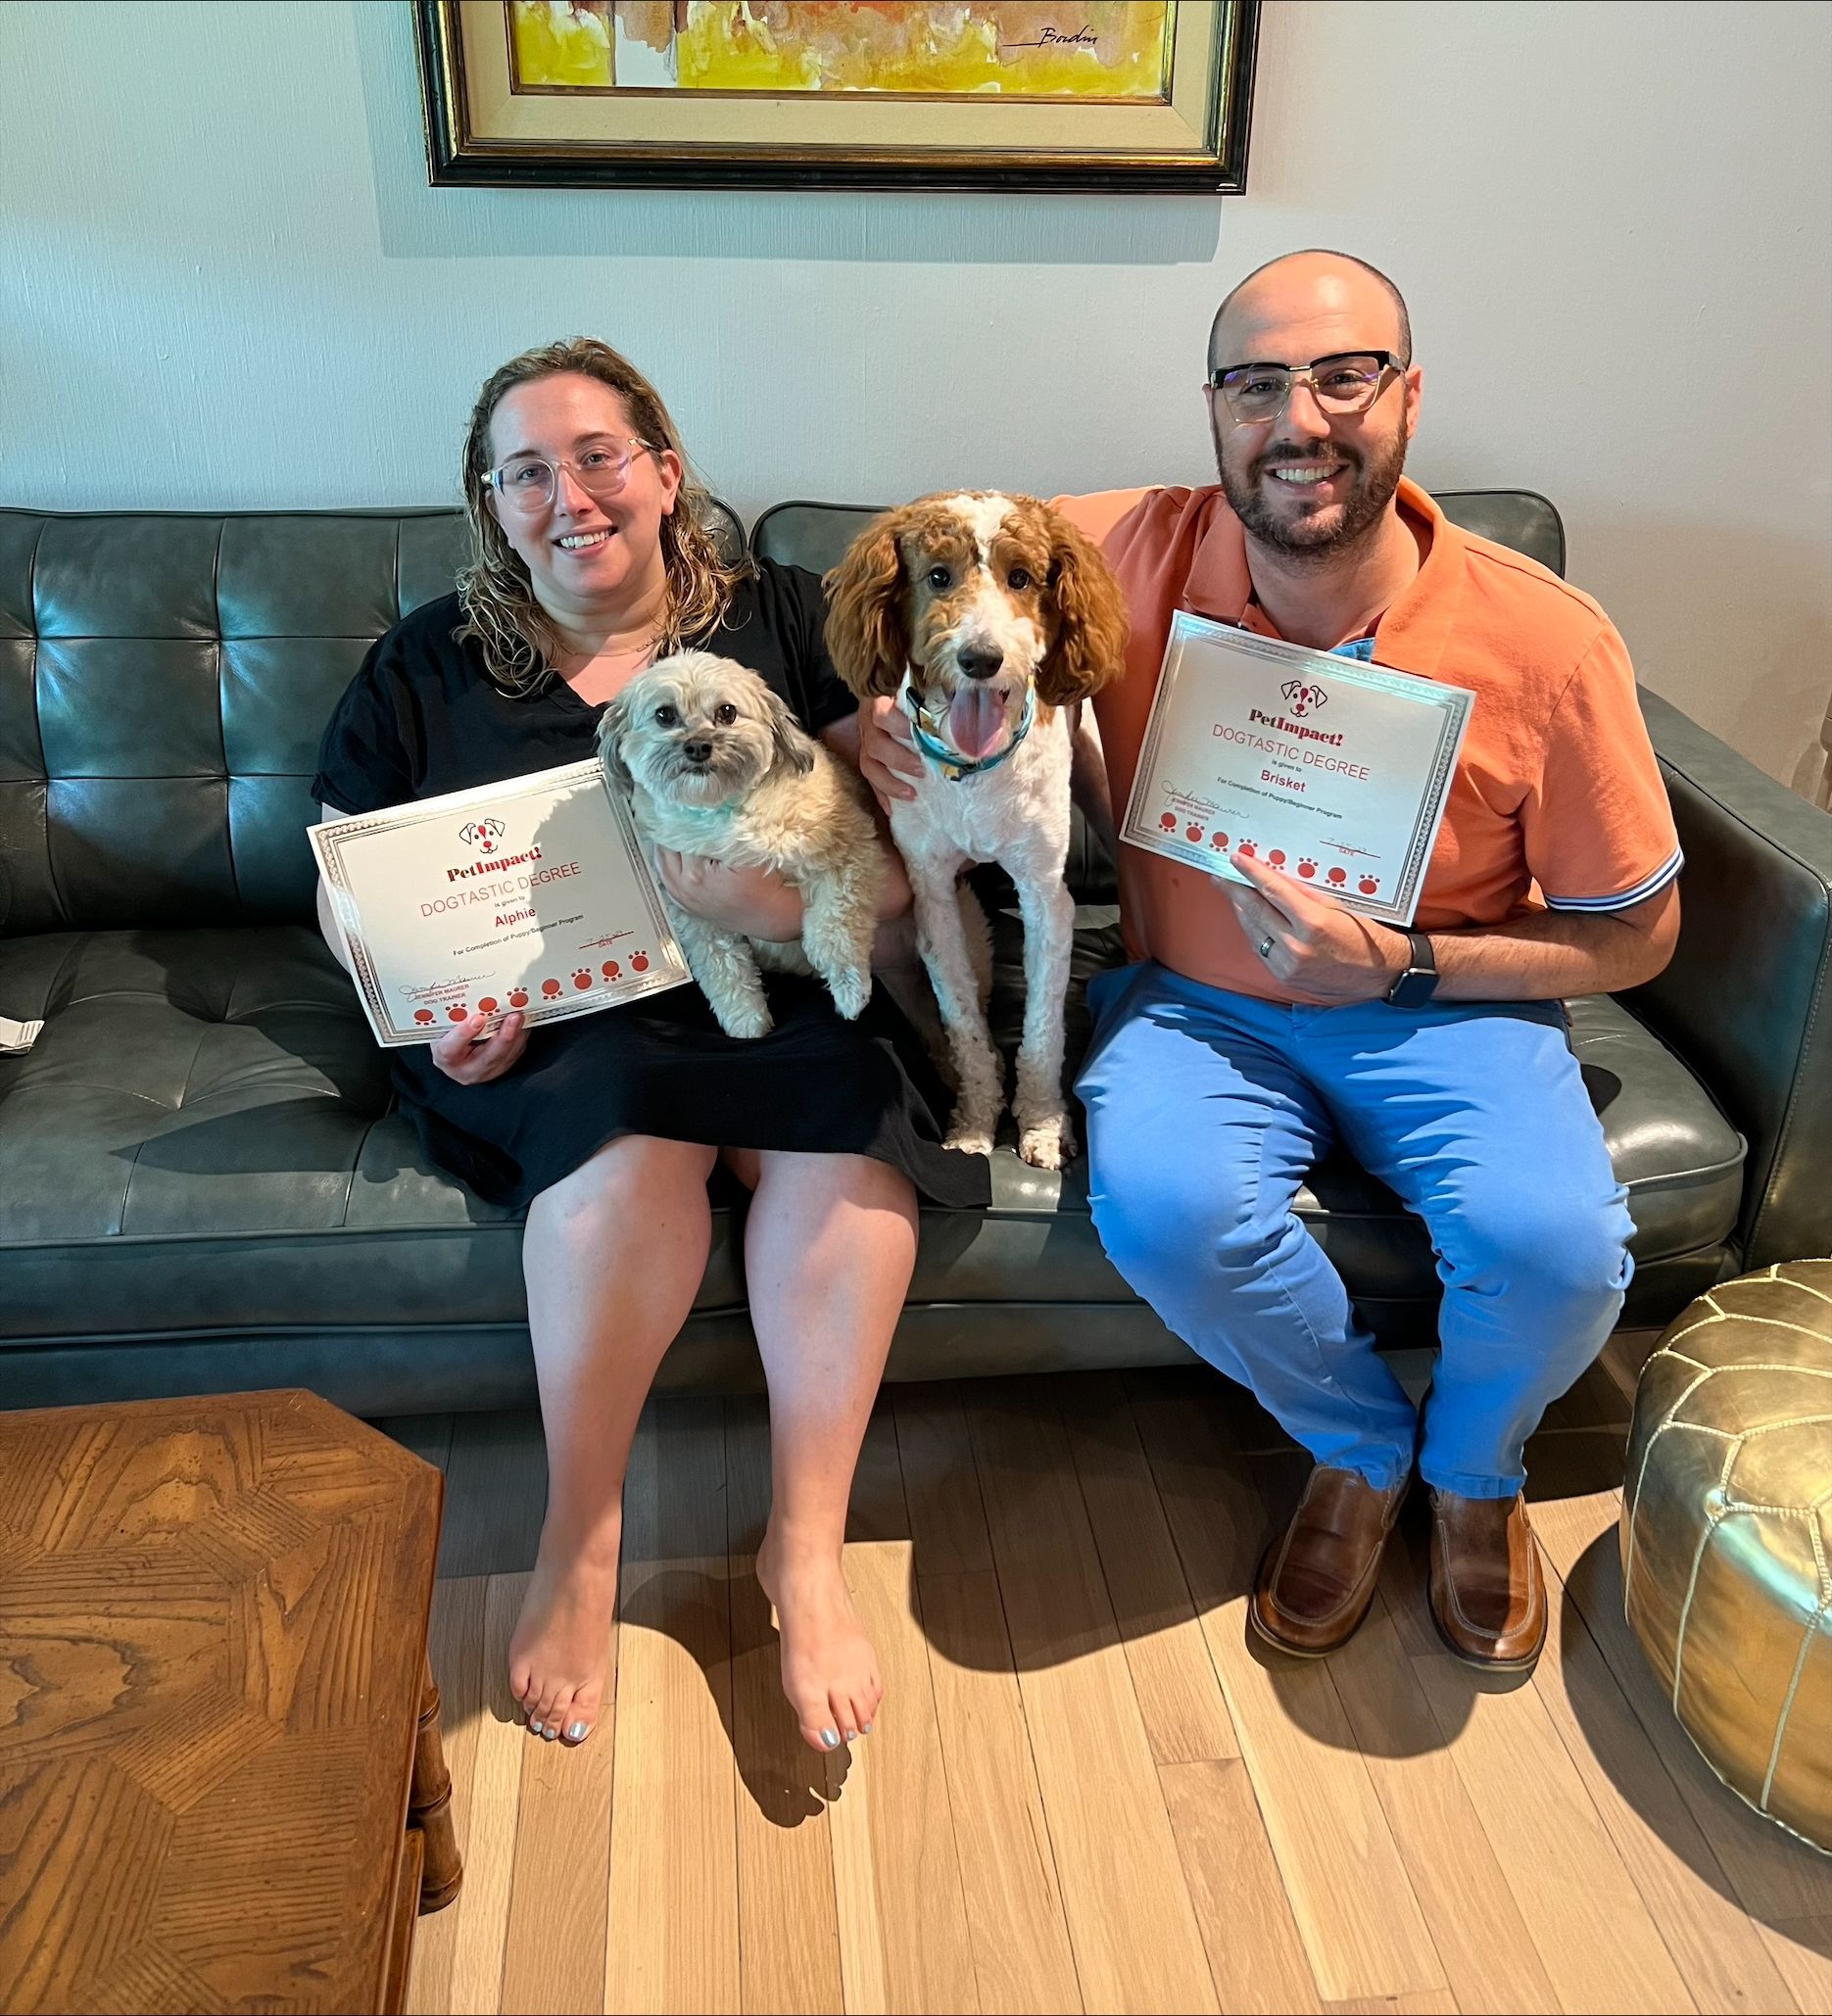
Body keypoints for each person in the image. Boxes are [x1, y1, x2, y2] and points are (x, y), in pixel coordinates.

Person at [860, 252, 1681, 1671]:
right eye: (1257, 385)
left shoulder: (1542, 638)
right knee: (1164, 1212)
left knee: (1554, 1249)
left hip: (1442, 1007)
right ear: (1215, 412)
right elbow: (935, 579)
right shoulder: (1118, 551)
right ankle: (1357, 1447)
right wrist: (858, 718)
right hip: (1197, 1006)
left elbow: (1638, 932)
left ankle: (1474, 1476)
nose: (1299, 418)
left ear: (1408, 395)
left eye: (1343, 374)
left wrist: (1404, 962)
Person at [313, 338, 988, 1752]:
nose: (570, 495)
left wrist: (868, 818)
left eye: (599, 455)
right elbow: (350, 872)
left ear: (665, 472)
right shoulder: (428, 662)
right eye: (528, 472)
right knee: (619, 1147)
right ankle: (581, 1535)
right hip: (567, 1027)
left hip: (798, 990)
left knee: (841, 1139)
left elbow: (910, 834)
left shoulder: (791, 617)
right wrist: (442, 1011)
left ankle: (805, 1549)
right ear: (492, 504)